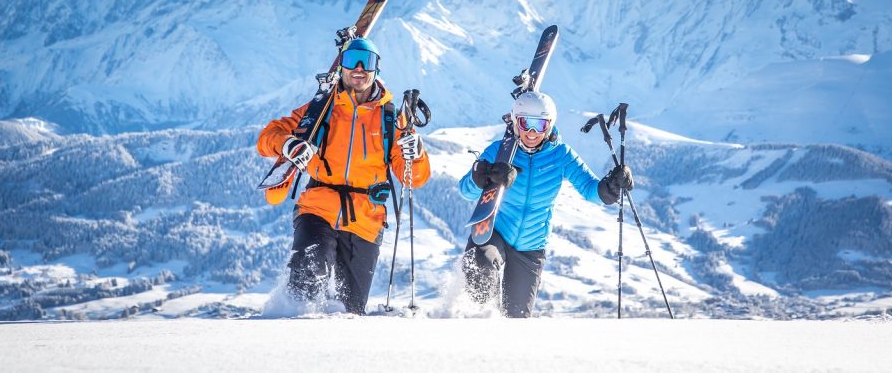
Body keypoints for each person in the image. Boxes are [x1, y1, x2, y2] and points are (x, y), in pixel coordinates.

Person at [256, 36, 430, 314]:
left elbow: (414, 178)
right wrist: (287, 144)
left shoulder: (391, 118)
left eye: (367, 62)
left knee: (350, 310)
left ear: (377, 69)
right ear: (341, 67)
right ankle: (287, 337)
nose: (359, 68)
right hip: (318, 207)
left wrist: (416, 153)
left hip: (367, 220)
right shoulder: (321, 109)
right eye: (351, 61)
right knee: (306, 280)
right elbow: (267, 137)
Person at [459, 91, 633, 317]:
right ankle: (477, 321)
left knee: (517, 318)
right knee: (479, 268)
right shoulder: (499, 151)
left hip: (531, 246)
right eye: (525, 123)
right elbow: (465, 190)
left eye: (539, 125)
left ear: (550, 125)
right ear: (515, 121)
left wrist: (610, 187)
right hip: (495, 232)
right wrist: (481, 177)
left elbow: (590, 188)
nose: (532, 132)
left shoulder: (561, 155)